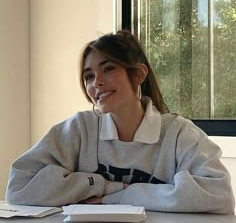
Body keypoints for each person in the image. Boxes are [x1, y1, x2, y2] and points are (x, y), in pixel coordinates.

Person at [6, 30, 235, 214]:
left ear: (138, 75)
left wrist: (118, 196)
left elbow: (220, 195)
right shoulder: (78, 130)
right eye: (89, 76)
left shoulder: (179, 134)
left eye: (108, 69)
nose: (97, 83)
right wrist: (104, 185)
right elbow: (19, 187)